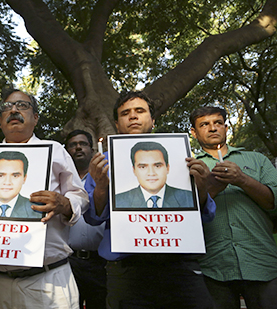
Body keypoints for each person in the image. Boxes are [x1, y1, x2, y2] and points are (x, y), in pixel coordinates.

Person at [0, 89, 88, 309]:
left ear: (35, 117)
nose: (13, 110)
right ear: (1, 121)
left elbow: (80, 196)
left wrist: (65, 204)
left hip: (45, 282)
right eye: (7, 108)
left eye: (22, 106)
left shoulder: (55, 150)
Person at [84, 91, 216, 308]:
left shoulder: (181, 156)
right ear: (117, 124)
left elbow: (207, 216)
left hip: (180, 267)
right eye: (125, 113)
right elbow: (94, 218)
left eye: (140, 111)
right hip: (127, 271)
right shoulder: (102, 163)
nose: (133, 116)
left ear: (153, 121)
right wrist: (100, 188)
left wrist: (201, 189)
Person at [190, 106, 277, 309]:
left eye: (218, 123)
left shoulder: (257, 160)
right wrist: (211, 189)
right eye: (204, 124)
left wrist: (243, 180)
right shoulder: (189, 166)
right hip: (212, 266)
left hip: (261, 261)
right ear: (194, 132)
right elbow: (183, 214)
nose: (212, 128)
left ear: (226, 127)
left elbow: (273, 203)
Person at [65, 129, 107, 309]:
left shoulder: (105, 177)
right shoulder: (61, 179)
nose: (78, 148)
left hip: (101, 264)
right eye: (73, 145)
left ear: (92, 149)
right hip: (69, 262)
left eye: (83, 144)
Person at [115, 141, 194, 208]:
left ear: (167, 168)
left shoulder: (189, 198)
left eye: (157, 166)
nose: (151, 173)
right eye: (143, 167)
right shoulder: (118, 201)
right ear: (134, 170)